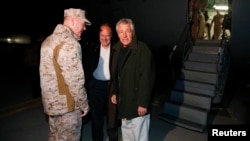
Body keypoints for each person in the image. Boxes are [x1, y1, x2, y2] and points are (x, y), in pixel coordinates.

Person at [39, 8, 91, 141]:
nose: (84, 28)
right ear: (73, 21)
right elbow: (75, 81)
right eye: (83, 23)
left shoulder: (48, 41)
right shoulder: (70, 43)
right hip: (68, 109)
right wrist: (84, 104)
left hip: (52, 107)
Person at [110, 18, 155, 141]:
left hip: (137, 104)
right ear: (117, 33)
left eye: (127, 31)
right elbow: (116, 74)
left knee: (139, 137)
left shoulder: (142, 49)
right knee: (127, 135)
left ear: (133, 32)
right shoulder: (117, 49)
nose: (124, 35)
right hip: (124, 104)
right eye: (121, 32)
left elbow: (147, 78)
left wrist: (143, 103)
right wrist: (115, 92)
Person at [83, 23, 119, 141]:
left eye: (107, 35)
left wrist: (117, 90)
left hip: (111, 87)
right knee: (96, 118)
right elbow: (87, 69)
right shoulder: (92, 49)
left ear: (111, 36)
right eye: (102, 35)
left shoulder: (116, 50)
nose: (104, 38)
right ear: (98, 35)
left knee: (112, 119)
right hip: (96, 86)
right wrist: (87, 89)